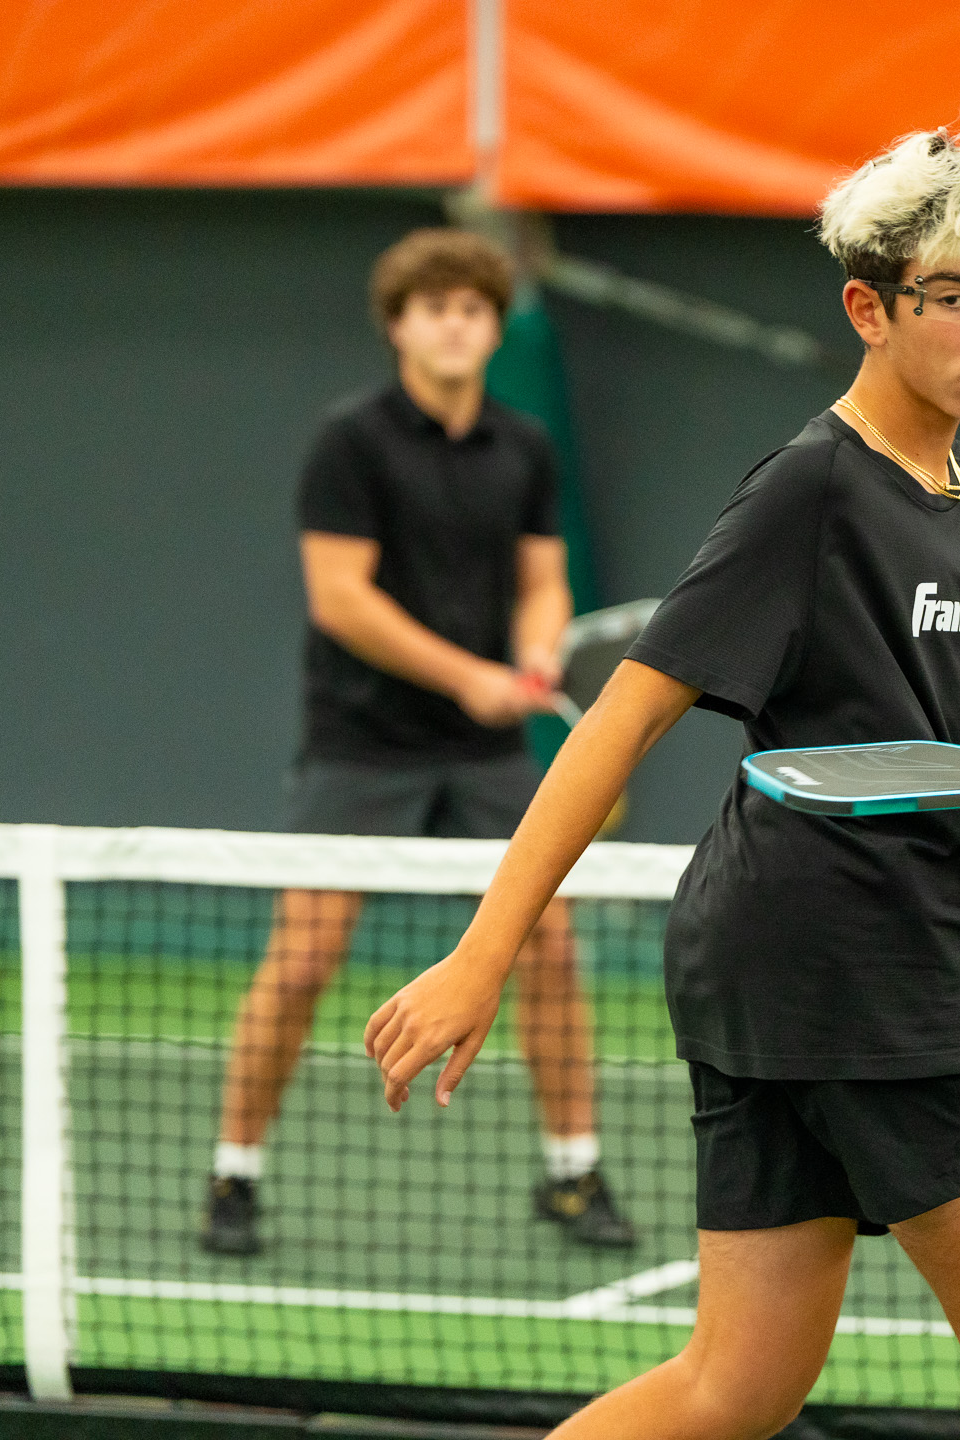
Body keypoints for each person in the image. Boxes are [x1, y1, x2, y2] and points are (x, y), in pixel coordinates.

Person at [363, 132, 960, 1438]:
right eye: (956, 297)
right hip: (864, 950)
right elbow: (621, 721)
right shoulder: (813, 490)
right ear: (869, 310)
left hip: (783, 947)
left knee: (743, 1382)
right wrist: (484, 955)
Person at [201, 228, 636, 1256]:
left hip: (485, 755)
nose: (455, 325)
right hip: (361, 742)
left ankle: (573, 1173)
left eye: (473, 309)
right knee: (303, 959)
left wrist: (536, 647)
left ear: (492, 327)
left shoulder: (524, 447)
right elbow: (341, 600)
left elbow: (543, 582)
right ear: (398, 326)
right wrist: (469, 677)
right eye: (434, 308)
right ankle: (234, 1175)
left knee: (550, 948)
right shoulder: (349, 443)